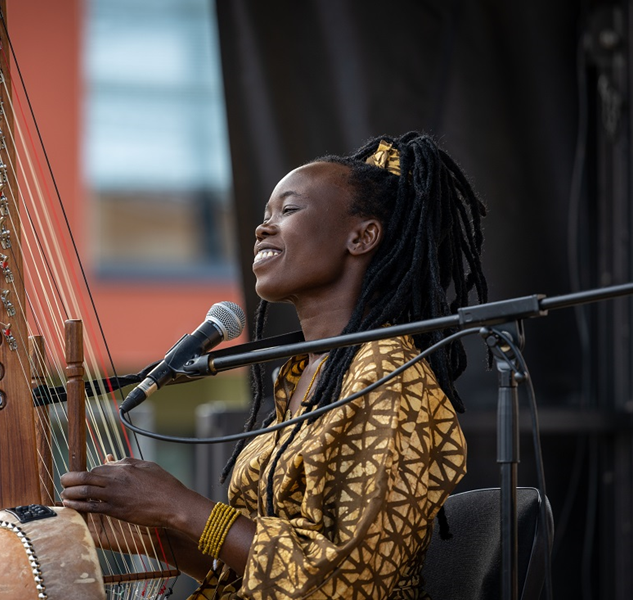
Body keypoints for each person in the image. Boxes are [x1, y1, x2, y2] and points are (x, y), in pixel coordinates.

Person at [60, 132, 488, 599]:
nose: (263, 228)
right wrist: (154, 533)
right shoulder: (306, 374)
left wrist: (178, 505)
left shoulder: (389, 377)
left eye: (288, 211)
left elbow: (343, 583)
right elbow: (260, 572)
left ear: (361, 237)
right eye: (265, 216)